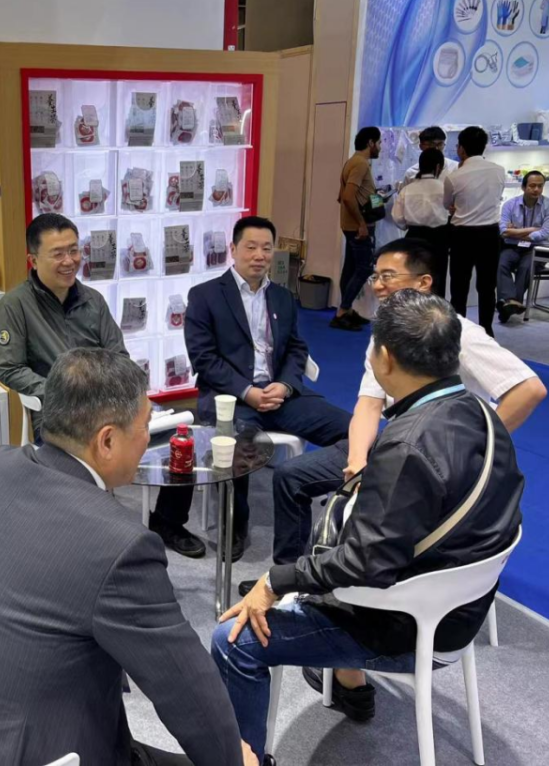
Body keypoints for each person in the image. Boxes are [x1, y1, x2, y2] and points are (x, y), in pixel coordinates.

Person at [0, 349, 258, 766]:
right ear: (106, 441)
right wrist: (234, 759)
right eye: (146, 425)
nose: (148, 438)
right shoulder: (121, 545)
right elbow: (184, 686)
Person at [212, 290, 525, 763]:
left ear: (386, 357)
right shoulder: (482, 413)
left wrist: (277, 580)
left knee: (233, 640)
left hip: (406, 624)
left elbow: (366, 564)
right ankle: (350, 685)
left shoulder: (408, 445)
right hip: (460, 611)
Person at [246, 238, 544, 584]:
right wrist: (358, 462)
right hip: (395, 444)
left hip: (432, 456)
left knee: (379, 529)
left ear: (424, 282)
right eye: (375, 277)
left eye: (388, 276)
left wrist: (473, 445)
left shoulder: (456, 331)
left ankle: (325, 579)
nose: (378, 286)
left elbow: (529, 389)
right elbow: (369, 403)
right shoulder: (384, 333)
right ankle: (291, 579)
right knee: (291, 477)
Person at [169, 216, 351, 562]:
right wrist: (247, 392)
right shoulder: (205, 296)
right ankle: (235, 525)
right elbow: (204, 359)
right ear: (233, 249)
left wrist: (285, 385)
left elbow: (296, 348)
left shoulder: (282, 296)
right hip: (232, 397)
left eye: (266, 248)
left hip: (280, 395)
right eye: (250, 247)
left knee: (355, 430)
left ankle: (334, 508)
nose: (259, 255)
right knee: (235, 443)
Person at [0, 212, 127, 436]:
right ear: (34, 261)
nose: (69, 261)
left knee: (152, 436)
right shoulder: (14, 306)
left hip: (105, 409)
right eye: (58, 254)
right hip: (56, 417)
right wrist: (62, 393)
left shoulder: (93, 300)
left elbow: (119, 356)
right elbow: (9, 368)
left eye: (73, 250)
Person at [444, 126, 508, 336]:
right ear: (484, 147)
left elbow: (447, 204)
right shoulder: (499, 170)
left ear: (461, 149)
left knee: (459, 286)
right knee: (487, 286)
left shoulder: (454, 177)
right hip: (489, 234)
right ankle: (487, 329)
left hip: (462, 234)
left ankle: (459, 330)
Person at [331, 126, 382, 332]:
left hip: (351, 224)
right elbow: (347, 197)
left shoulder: (352, 162)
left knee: (351, 268)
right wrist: (361, 223)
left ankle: (346, 310)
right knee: (364, 268)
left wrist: (376, 199)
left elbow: (343, 196)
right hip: (359, 227)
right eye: (379, 142)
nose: (380, 147)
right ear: (370, 143)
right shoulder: (360, 164)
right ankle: (342, 311)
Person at [498, 171, 549, 323]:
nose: (536, 189)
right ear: (523, 187)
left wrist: (515, 232)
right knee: (501, 263)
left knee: (526, 267)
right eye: (532, 186)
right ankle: (512, 302)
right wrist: (532, 229)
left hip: (536, 248)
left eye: (540, 186)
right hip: (512, 246)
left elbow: (545, 233)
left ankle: (507, 303)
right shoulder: (509, 205)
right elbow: (503, 231)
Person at [392, 147, 452, 297]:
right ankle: (436, 310)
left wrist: (406, 225)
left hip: (414, 236)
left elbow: (397, 217)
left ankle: (413, 309)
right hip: (439, 238)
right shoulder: (444, 189)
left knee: (413, 278)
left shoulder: (408, 189)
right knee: (437, 279)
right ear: (438, 167)